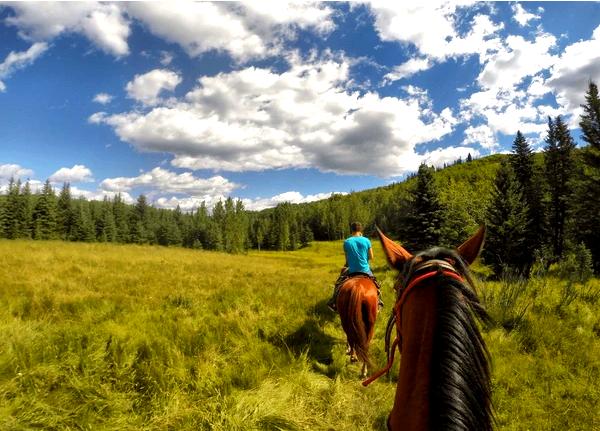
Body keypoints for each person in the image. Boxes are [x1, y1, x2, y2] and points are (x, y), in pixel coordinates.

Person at [327, 222, 383, 311]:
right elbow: (371, 257)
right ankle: (379, 302)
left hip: (352, 270)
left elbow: (347, 260)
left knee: (338, 284)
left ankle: (333, 302)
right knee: (376, 285)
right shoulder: (366, 240)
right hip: (365, 270)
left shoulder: (346, 242)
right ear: (360, 230)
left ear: (351, 230)